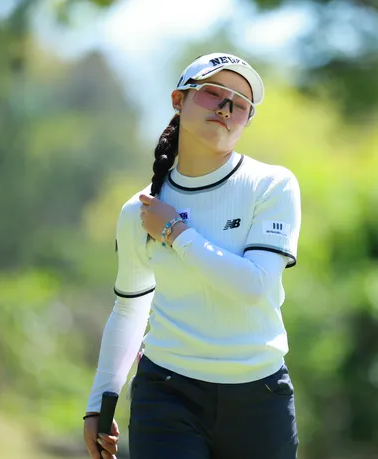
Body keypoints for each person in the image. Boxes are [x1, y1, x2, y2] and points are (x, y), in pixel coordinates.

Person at [82, 52, 302, 459]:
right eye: (212, 93)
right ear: (178, 100)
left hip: (259, 399)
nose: (226, 107)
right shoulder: (139, 211)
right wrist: (100, 401)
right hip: (167, 395)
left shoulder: (272, 185)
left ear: (247, 120)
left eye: (240, 103)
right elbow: (129, 308)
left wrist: (175, 232)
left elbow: (255, 286)